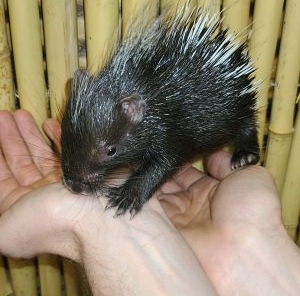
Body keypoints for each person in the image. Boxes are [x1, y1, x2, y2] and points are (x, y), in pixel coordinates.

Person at [0, 109, 299, 295]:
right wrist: (258, 252)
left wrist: (125, 202)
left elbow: (162, 161)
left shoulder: (154, 131)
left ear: (135, 112)